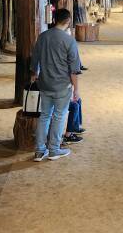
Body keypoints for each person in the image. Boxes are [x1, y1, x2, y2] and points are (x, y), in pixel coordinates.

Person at [30, 8, 81, 161]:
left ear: (54, 19)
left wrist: (35, 75)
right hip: (62, 85)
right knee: (59, 117)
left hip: (45, 84)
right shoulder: (69, 40)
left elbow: (35, 61)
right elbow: (74, 69)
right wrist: (76, 89)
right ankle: (54, 149)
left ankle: (39, 151)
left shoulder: (43, 37)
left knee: (44, 116)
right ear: (68, 21)